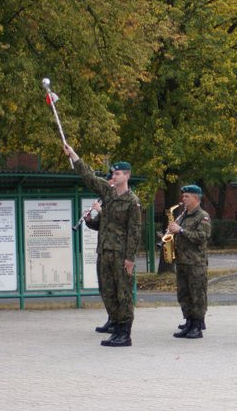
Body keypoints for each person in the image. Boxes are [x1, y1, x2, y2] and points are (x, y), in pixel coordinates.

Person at [64, 144, 141, 347]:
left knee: (122, 293)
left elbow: (134, 232)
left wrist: (130, 258)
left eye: (117, 174)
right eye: (113, 174)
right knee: (107, 290)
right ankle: (116, 326)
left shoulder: (132, 202)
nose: (113, 177)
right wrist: (74, 155)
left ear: (127, 176)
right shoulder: (108, 194)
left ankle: (125, 333)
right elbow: (89, 177)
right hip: (104, 250)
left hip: (121, 254)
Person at [168, 185, 212, 339]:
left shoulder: (202, 216)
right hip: (181, 261)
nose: (184, 199)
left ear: (196, 198)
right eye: (183, 196)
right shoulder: (183, 215)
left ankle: (197, 325)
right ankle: (188, 321)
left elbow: (202, 236)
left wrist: (180, 230)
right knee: (184, 294)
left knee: (197, 295)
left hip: (195, 262)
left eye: (187, 196)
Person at [83, 171, 113, 333]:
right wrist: (89, 221)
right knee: (104, 287)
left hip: (114, 251)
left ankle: (117, 321)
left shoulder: (117, 202)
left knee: (114, 289)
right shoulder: (106, 201)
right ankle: (111, 317)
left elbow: (115, 223)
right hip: (102, 250)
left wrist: (101, 211)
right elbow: (100, 225)